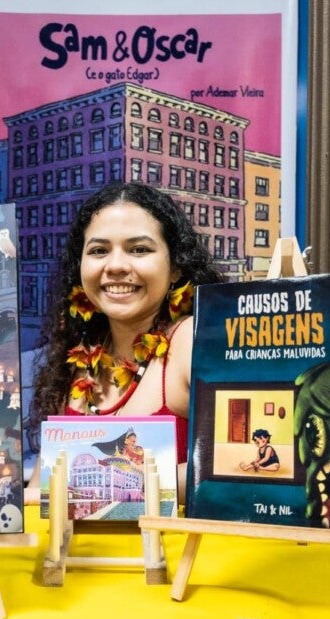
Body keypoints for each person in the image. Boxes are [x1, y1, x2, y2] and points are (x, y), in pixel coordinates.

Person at [31, 182, 222, 478]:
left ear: (176, 267)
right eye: (99, 250)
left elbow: (238, 469)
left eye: (139, 249)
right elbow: (41, 487)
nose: (116, 265)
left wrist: (123, 480)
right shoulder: (75, 360)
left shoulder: (192, 340)